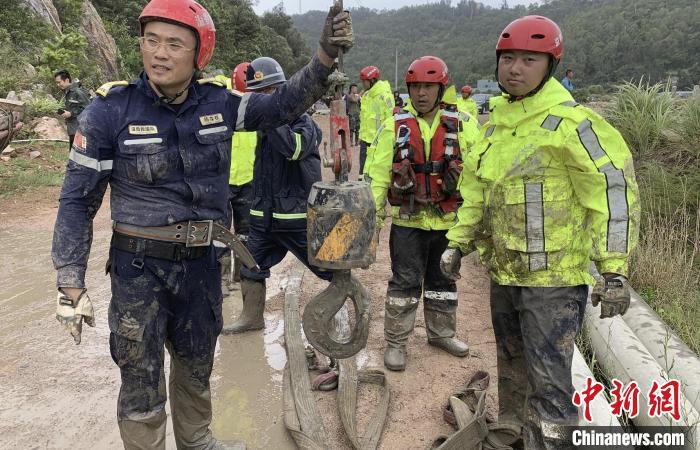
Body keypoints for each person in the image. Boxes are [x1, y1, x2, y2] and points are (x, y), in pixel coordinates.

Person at [50, 0, 353, 447]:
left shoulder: (218, 102)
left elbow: (282, 106)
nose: (160, 53)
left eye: (175, 44)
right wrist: (70, 279)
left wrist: (324, 55)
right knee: (140, 371)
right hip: (138, 272)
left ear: (198, 55)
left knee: (196, 363)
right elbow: (77, 201)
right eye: (152, 40)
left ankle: (197, 442)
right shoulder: (109, 110)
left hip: (201, 266)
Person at [440, 15, 639, 449]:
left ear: (550, 65)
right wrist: (458, 242)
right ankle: (514, 434)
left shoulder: (571, 123)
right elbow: (476, 190)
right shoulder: (495, 127)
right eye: (508, 58)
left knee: (550, 382)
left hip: (554, 283)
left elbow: (612, 193)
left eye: (529, 59)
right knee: (511, 364)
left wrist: (614, 269)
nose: (515, 68)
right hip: (506, 274)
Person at [366, 56, 480, 372]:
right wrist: (372, 223)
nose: (421, 93)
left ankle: (442, 334)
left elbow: (477, 177)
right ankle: (396, 343)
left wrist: (472, 226)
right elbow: (376, 178)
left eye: (428, 86)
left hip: (447, 223)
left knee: (443, 279)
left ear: (441, 88)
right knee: (404, 283)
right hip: (407, 222)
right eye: (415, 86)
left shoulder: (464, 126)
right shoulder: (393, 127)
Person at [222, 56, 333, 334]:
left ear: (283, 91)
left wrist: (272, 119)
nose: (263, 100)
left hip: (297, 219)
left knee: (329, 268)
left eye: (269, 93)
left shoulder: (305, 123)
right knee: (251, 265)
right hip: (264, 217)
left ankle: (346, 304)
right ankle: (252, 317)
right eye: (257, 94)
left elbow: (293, 150)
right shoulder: (257, 128)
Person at [218, 61, 256, 295]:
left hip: (248, 181)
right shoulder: (220, 96)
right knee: (219, 232)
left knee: (246, 233)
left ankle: (242, 276)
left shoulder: (255, 104)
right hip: (221, 181)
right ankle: (220, 280)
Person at [358, 65, 393, 179]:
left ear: (372, 80)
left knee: (378, 172)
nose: (362, 84)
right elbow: (363, 119)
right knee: (363, 172)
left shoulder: (385, 96)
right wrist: (361, 136)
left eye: (364, 82)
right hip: (365, 141)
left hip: (379, 142)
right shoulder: (366, 96)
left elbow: (391, 119)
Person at [54, 69, 90, 150]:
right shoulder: (67, 92)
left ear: (66, 80)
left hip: (80, 128)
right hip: (72, 128)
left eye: (59, 82)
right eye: (56, 83)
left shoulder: (78, 92)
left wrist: (71, 113)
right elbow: (74, 107)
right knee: (74, 152)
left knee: (79, 152)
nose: (58, 85)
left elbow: (88, 108)